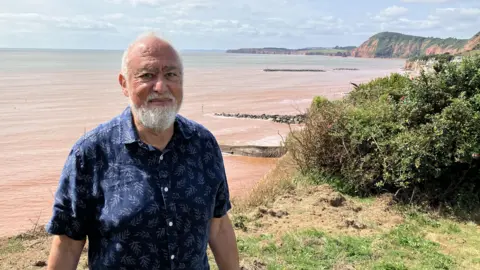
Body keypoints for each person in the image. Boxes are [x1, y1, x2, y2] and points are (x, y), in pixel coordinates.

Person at [45, 32, 240, 270]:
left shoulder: (203, 144)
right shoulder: (91, 154)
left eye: (171, 75)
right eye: (147, 75)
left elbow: (218, 224)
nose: (160, 86)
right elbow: (67, 243)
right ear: (124, 84)